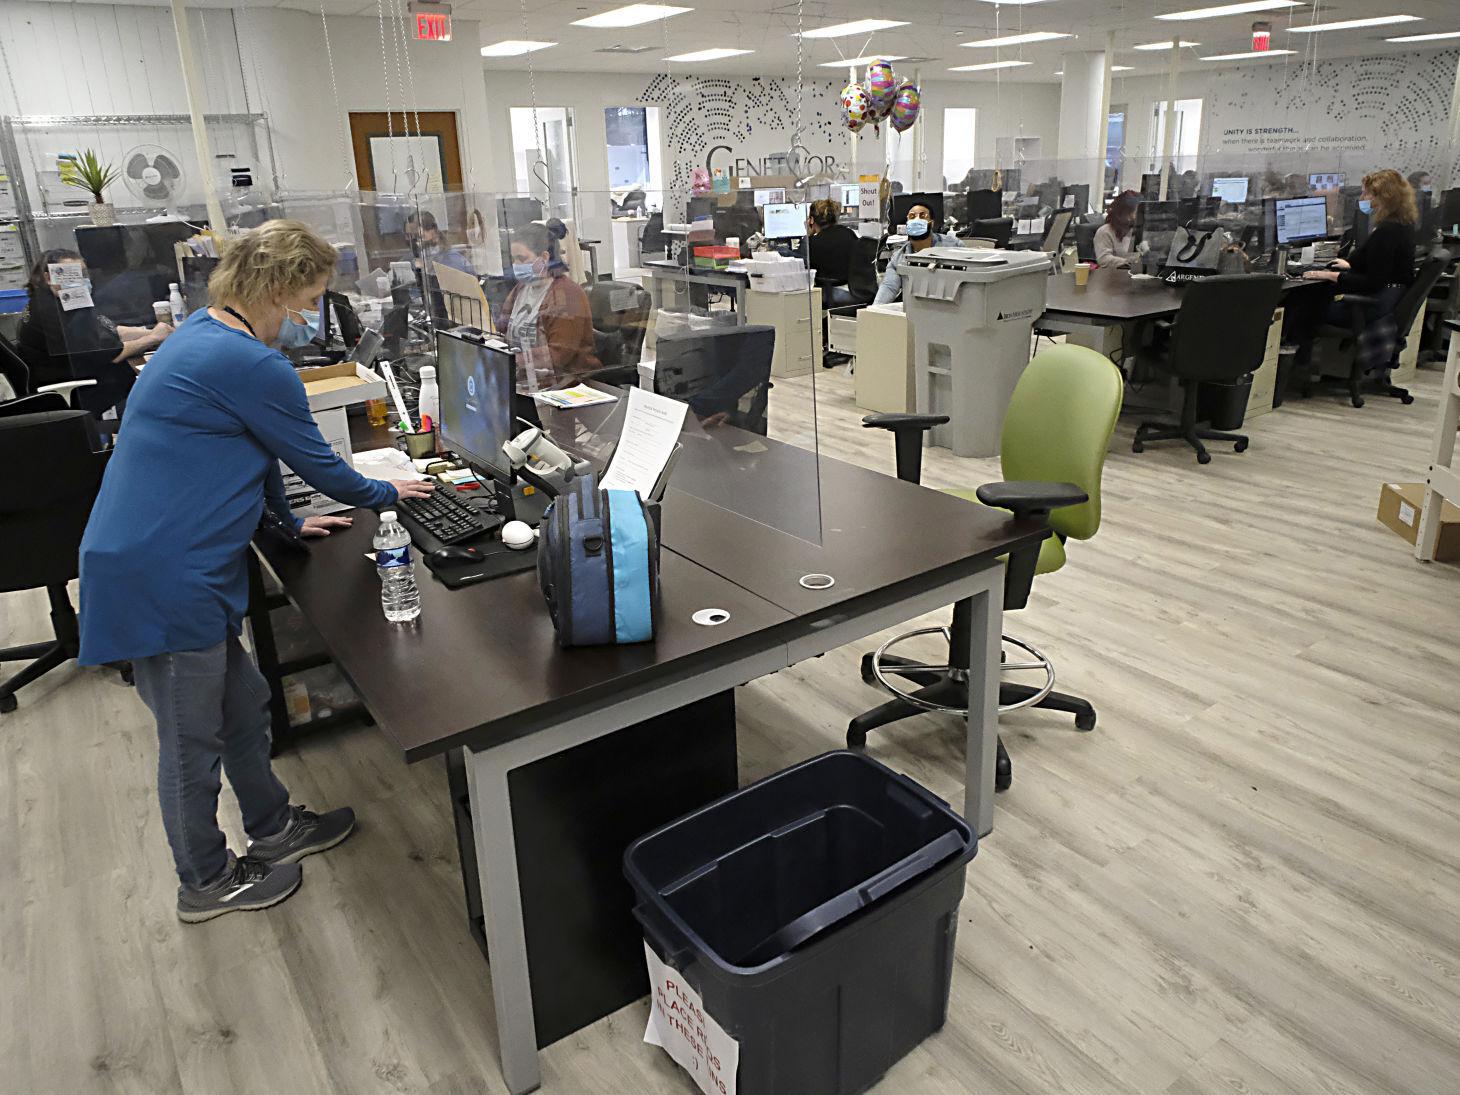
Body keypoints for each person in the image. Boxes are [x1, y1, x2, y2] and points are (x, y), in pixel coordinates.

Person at [76, 219, 434, 923]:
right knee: (191, 743)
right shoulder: (249, 363)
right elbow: (318, 463)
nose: (312, 315)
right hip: (162, 572)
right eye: (311, 298)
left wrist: (284, 521)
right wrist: (390, 492)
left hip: (171, 558)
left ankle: (272, 827)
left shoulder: (203, 336)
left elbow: (256, 448)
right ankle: (205, 881)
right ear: (276, 288)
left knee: (242, 706)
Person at [1289, 169, 1418, 375]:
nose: (1362, 198)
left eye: (1367, 194)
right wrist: (1349, 266)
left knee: (1301, 305)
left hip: (1372, 306)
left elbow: (1373, 282)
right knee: (1313, 295)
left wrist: (1329, 275)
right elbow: (1386, 267)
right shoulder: (1403, 225)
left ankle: (1296, 369)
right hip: (1388, 299)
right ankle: (1301, 367)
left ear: (1383, 197)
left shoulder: (1387, 231)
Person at [10, 249, 171, 411]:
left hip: (92, 377)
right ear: (48, 277)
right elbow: (110, 354)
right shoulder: (52, 311)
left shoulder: (63, 301)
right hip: (84, 391)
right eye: (69, 274)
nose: (78, 279)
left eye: (82, 273)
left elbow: (107, 328)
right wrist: (153, 338)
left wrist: (152, 332)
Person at [502, 221, 601, 392]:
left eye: (522, 259)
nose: (516, 265)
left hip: (564, 384)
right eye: (513, 259)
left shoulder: (566, 295)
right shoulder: (522, 289)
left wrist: (513, 360)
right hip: (526, 378)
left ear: (544, 257)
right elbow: (502, 327)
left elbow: (558, 355)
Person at [872, 204, 958, 305]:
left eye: (922, 216)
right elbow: (889, 287)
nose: (916, 220)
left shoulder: (953, 246)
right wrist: (873, 310)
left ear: (931, 223)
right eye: (912, 216)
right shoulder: (899, 257)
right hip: (917, 307)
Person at [805, 199, 871, 307]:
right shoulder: (849, 233)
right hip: (855, 290)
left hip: (833, 293)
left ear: (811, 220)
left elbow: (802, 266)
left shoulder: (812, 243)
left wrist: (809, 235)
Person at [1094, 191, 1141, 269]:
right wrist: (1129, 262)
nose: (1139, 215)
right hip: (1115, 274)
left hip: (1138, 273)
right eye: (1137, 211)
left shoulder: (1137, 230)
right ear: (1125, 212)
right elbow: (1104, 259)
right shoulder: (1105, 231)